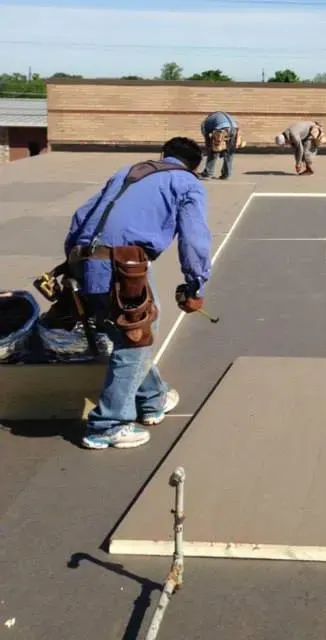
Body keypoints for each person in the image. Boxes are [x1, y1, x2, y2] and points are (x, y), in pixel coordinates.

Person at [64, 137, 212, 450]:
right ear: (195, 165)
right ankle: (109, 424)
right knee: (136, 339)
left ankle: (153, 398)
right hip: (123, 266)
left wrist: (76, 266)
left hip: (85, 259)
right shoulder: (187, 182)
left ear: (164, 155)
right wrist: (195, 284)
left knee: (126, 332)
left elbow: (81, 215)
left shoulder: (128, 172)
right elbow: (195, 238)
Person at [199, 111, 243, 181]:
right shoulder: (214, 117)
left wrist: (209, 148)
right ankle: (226, 174)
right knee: (229, 153)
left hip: (221, 129)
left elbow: (207, 138)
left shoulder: (204, 124)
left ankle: (208, 173)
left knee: (213, 151)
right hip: (234, 129)